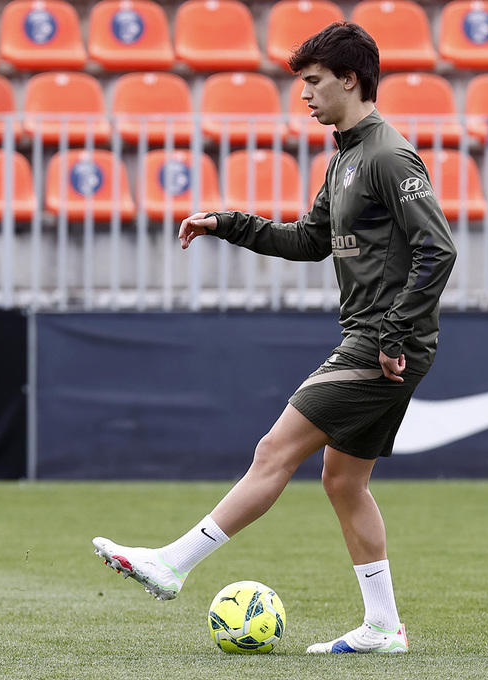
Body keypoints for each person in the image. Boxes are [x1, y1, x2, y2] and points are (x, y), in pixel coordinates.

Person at [92, 21, 457, 655]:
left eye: (314, 82)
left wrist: (395, 333)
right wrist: (226, 223)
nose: (305, 95)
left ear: (350, 79)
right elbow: (309, 241)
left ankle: (173, 565)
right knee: (343, 483)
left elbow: (438, 248)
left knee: (274, 449)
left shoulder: (389, 156)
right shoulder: (345, 157)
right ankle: (382, 627)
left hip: (379, 343)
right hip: (375, 337)